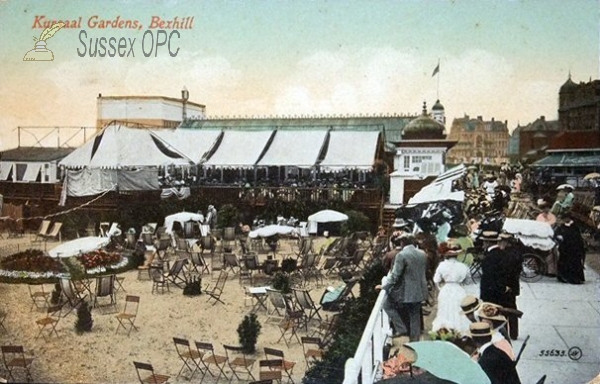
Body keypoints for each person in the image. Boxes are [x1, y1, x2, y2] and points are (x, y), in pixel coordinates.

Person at [376, 234, 428, 341]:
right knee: (415, 316)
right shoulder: (422, 254)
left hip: (407, 291)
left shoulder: (402, 255)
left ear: (402, 243)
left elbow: (395, 276)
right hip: (420, 290)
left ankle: (401, 328)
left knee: (387, 304)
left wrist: (384, 286)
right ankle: (415, 340)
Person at [431, 243, 472, 333]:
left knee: (445, 310)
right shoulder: (463, 266)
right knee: (458, 310)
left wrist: (440, 287)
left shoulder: (442, 265)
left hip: (446, 289)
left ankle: (445, 331)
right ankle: (459, 332)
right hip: (459, 290)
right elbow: (468, 281)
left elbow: (436, 279)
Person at [497, 233, 522, 340]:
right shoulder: (516, 252)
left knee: (504, 310)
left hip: (507, 285)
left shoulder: (505, 254)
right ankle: (514, 333)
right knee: (512, 309)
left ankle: (505, 332)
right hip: (513, 285)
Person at [479, 231, 512, 309]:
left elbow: (489, 277)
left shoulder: (489, 257)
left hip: (490, 293)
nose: (483, 243)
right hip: (501, 291)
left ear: (487, 242)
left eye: (484, 241)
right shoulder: (504, 253)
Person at [554, 213, 586, 284]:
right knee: (564, 261)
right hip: (565, 247)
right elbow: (556, 234)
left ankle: (575, 277)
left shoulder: (574, 226)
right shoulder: (561, 226)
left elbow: (577, 237)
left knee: (574, 262)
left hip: (574, 247)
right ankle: (563, 276)